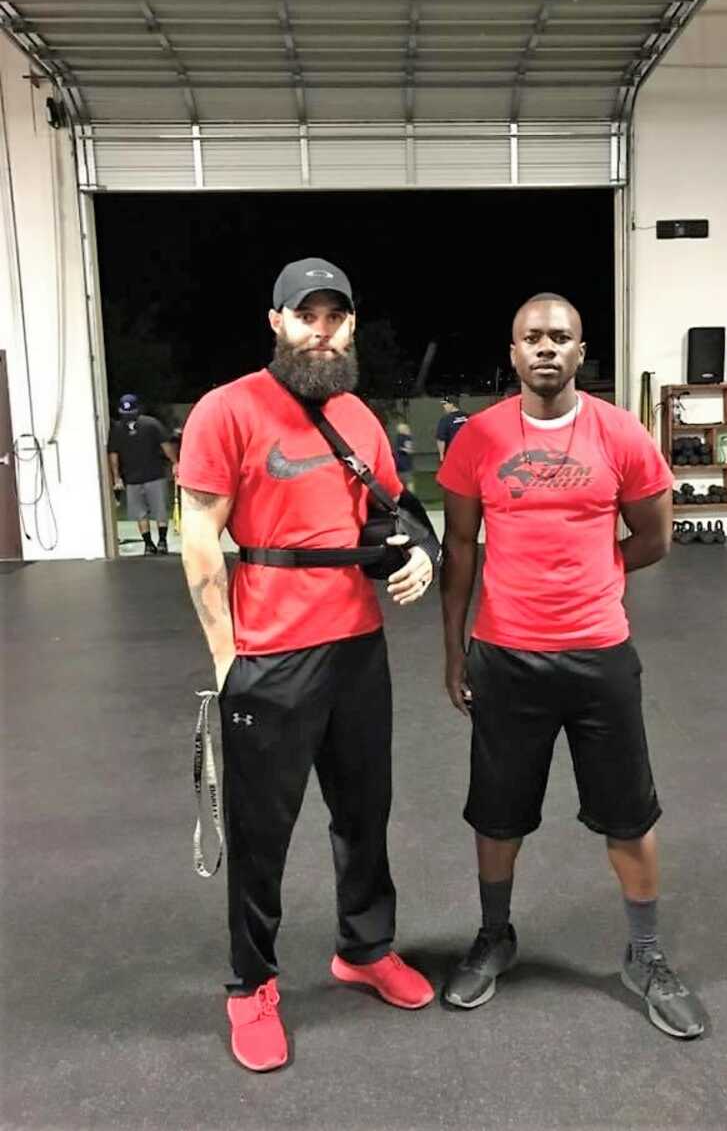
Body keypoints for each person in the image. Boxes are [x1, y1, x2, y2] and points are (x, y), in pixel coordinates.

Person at [177, 257, 437, 1074]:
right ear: (277, 322)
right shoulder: (228, 410)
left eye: (336, 315)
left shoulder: (358, 416)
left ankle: (364, 948)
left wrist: (421, 556)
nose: (321, 328)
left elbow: (399, 511)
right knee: (262, 834)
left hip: (358, 650)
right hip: (269, 656)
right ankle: (251, 984)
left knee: (365, 814)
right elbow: (198, 539)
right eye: (306, 314)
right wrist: (227, 659)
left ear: (351, 326)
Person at [437, 292, 705, 1039]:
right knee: (496, 813)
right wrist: (453, 647)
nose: (547, 347)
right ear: (513, 352)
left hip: (599, 655)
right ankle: (496, 934)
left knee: (630, 814)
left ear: (581, 351)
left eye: (561, 336)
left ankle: (644, 954)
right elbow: (460, 548)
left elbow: (654, 535)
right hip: (505, 655)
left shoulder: (620, 432)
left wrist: (598, 570)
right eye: (533, 337)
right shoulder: (478, 439)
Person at [107, 394, 179, 555]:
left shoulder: (118, 429)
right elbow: (166, 446)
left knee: (141, 513)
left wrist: (117, 476)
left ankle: (149, 545)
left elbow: (113, 455)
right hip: (152, 476)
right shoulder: (151, 424)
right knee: (158, 510)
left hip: (135, 478)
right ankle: (161, 542)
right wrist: (175, 462)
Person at [435, 395, 468, 463]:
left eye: (445, 404)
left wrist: (441, 455)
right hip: (468, 454)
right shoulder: (468, 416)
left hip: (452, 455)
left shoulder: (446, 419)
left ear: (451, 404)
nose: (444, 406)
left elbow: (441, 439)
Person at [393, 421, 415, 491]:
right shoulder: (407, 438)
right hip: (405, 464)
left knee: (400, 483)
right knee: (409, 482)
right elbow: (409, 450)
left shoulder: (397, 439)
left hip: (397, 464)